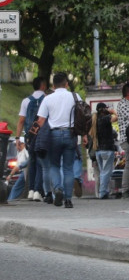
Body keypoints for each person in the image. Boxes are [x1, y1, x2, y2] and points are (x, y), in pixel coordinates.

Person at [34, 73, 84, 209]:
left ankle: (58, 189)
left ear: (53, 85)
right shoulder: (75, 96)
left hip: (53, 135)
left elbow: (41, 121)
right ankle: (68, 200)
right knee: (68, 168)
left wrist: (31, 135)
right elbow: (82, 115)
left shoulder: (48, 99)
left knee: (54, 165)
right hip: (71, 134)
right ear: (66, 84)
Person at [10, 76, 46, 202]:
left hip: (29, 137)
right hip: (42, 136)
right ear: (42, 85)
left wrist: (17, 137)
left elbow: (21, 121)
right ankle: (37, 191)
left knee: (32, 162)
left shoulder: (26, 101)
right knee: (41, 162)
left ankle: (31, 190)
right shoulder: (46, 99)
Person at [91, 103, 118, 199]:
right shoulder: (105, 119)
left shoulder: (95, 120)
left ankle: (104, 191)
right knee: (106, 172)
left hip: (98, 150)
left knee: (103, 171)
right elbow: (117, 117)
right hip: (107, 149)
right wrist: (113, 111)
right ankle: (102, 192)